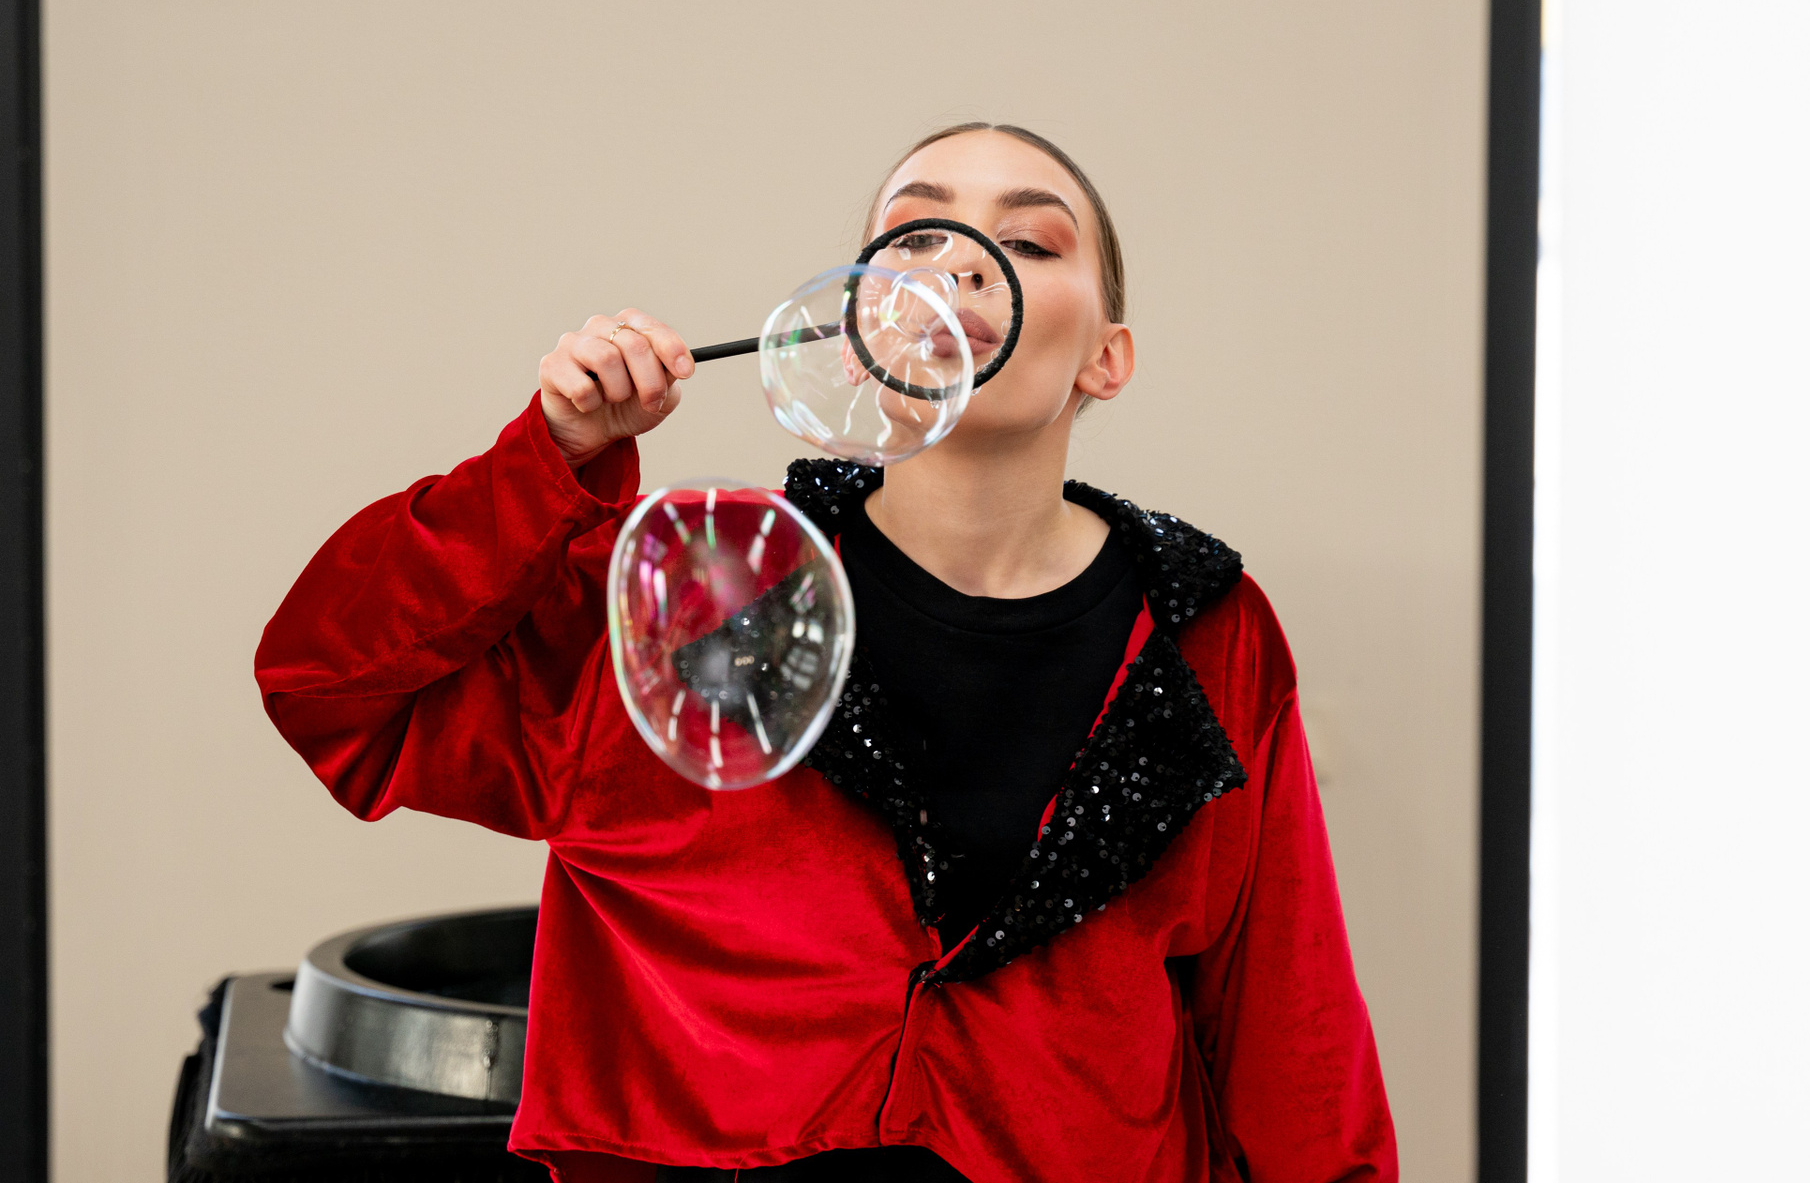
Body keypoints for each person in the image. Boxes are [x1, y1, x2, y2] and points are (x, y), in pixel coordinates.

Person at [255, 123, 1397, 1182]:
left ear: (1108, 357)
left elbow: (1294, 1047)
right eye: (915, 237)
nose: (958, 267)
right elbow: (329, 685)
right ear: (850, 334)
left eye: (1027, 243)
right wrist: (548, 456)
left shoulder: (1207, 632)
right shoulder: (690, 597)